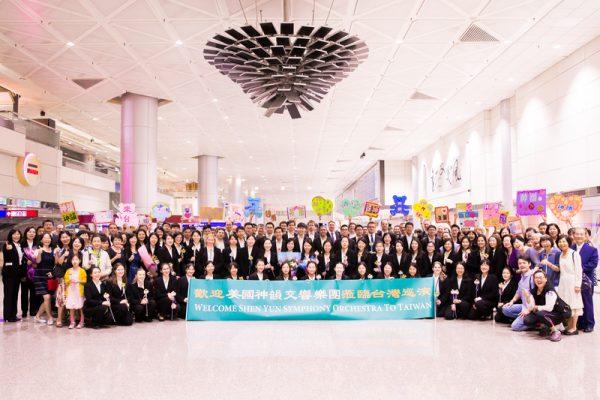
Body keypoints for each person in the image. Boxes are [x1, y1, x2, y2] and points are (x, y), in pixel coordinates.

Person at [519, 270, 570, 342]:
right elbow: (531, 307)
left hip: (560, 313)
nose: (538, 280)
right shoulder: (534, 291)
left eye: (540, 277)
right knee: (527, 320)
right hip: (546, 313)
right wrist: (527, 298)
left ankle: (556, 331)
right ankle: (546, 326)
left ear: (546, 279)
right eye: (536, 278)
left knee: (539, 313)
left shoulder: (550, 291)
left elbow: (549, 308)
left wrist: (536, 307)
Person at [555, 235, 584, 335]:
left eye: (564, 241)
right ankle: (568, 326)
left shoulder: (574, 254)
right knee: (566, 304)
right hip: (563, 282)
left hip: (572, 282)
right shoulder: (560, 254)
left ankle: (574, 327)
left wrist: (577, 285)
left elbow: (579, 270)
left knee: (574, 304)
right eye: (560, 242)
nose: (562, 244)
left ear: (569, 242)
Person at [572, 227, 598, 333]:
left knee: (587, 302)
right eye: (577, 234)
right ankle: (580, 323)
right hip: (573, 280)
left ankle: (590, 323)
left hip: (586, 280)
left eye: (581, 234)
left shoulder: (592, 249)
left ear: (585, 236)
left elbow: (593, 264)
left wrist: (578, 268)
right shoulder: (570, 248)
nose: (579, 236)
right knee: (577, 301)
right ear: (573, 235)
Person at [501, 256, 537, 331]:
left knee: (515, 326)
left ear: (529, 264)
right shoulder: (522, 277)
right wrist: (512, 301)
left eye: (524, 263)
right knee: (505, 308)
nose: (521, 265)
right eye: (520, 263)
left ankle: (535, 323)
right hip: (523, 305)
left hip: (532, 308)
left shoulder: (533, 276)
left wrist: (528, 310)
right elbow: (518, 292)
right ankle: (523, 318)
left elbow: (536, 296)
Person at [34, 233, 55, 325]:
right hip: (39, 276)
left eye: (48, 238)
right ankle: (50, 317)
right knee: (47, 297)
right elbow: (37, 262)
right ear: (41, 240)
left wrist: (53, 273)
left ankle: (37, 316)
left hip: (50, 276)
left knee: (48, 298)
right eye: (45, 238)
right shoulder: (38, 250)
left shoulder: (53, 250)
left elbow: (55, 264)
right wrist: (38, 253)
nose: (47, 240)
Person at [2, 229, 23, 322]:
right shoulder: (7, 245)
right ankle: (7, 316)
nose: (16, 236)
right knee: (8, 295)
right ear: (11, 235)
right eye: (14, 234)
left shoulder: (19, 245)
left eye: (18, 234)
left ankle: (13, 315)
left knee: (15, 294)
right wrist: (9, 250)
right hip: (9, 274)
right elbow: (7, 259)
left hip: (17, 274)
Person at [21, 226, 40, 318]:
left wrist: (36, 263)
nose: (31, 233)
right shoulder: (21, 244)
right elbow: (19, 258)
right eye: (29, 232)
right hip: (24, 272)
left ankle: (33, 310)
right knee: (24, 292)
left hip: (34, 271)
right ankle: (24, 310)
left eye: (33, 232)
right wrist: (25, 262)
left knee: (34, 292)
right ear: (26, 233)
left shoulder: (38, 244)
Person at [63, 254, 86, 329]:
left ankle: (82, 322)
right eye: (73, 260)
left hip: (79, 292)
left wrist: (78, 281)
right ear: (71, 261)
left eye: (76, 259)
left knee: (81, 307)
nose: (74, 261)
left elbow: (84, 280)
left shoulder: (82, 271)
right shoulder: (68, 270)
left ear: (79, 261)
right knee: (71, 307)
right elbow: (65, 281)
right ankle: (72, 322)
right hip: (70, 292)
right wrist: (69, 280)